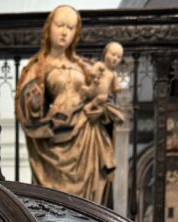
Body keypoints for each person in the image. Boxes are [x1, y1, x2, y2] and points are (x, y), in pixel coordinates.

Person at [14, 5, 124, 205]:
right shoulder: (38, 67)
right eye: (60, 25)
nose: (64, 32)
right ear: (49, 28)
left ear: (76, 33)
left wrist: (100, 102)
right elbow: (26, 111)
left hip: (85, 139)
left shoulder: (83, 66)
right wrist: (35, 105)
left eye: (70, 27)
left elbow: (98, 92)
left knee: (86, 205)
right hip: (55, 139)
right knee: (55, 205)